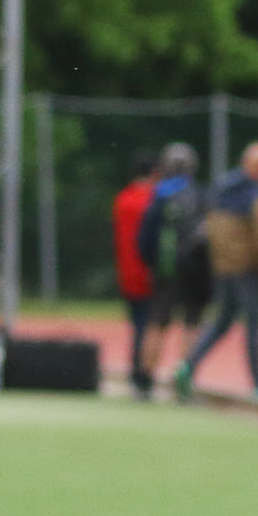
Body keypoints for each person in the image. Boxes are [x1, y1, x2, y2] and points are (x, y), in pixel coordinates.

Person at [174, 140, 258, 404]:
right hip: (250, 269)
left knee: (221, 322)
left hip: (223, 267)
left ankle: (187, 366)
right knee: (253, 325)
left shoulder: (222, 186)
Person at [136, 143, 209, 393]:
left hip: (167, 269)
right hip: (196, 269)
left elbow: (146, 236)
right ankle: (184, 379)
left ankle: (145, 380)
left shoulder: (160, 195)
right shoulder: (200, 194)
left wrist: (151, 262)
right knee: (192, 323)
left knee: (157, 321)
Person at [110, 151, 162, 398]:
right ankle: (141, 376)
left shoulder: (122, 199)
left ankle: (136, 373)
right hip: (148, 271)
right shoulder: (152, 200)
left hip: (127, 271)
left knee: (138, 325)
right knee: (149, 326)